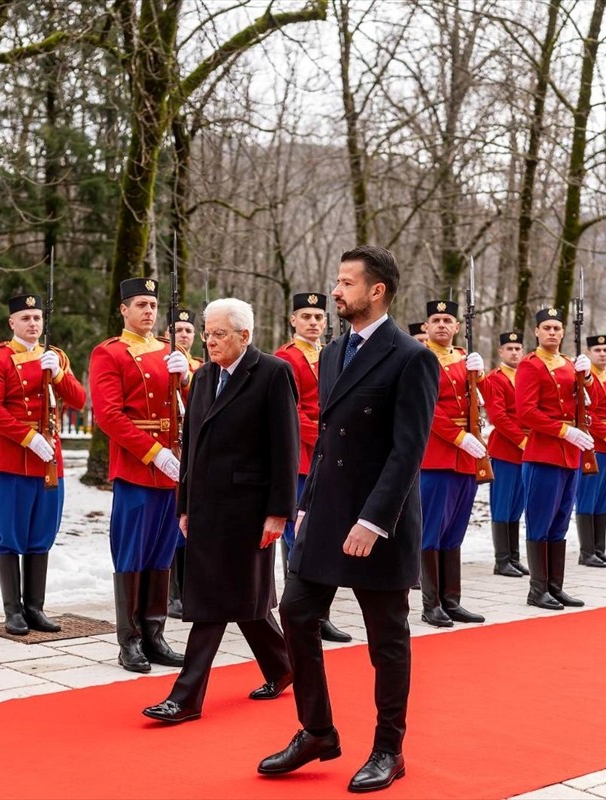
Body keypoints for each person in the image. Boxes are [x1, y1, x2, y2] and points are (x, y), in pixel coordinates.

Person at [258, 246, 438, 793]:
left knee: (387, 639)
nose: (336, 291)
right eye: (337, 282)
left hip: (378, 522)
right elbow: (330, 436)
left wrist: (374, 521)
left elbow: (407, 451)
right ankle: (316, 731)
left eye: (345, 283)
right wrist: (308, 501)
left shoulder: (412, 357)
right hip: (327, 512)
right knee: (295, 611)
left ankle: (389, 749)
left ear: (376, 290)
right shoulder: (333, 353)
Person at [143, 298, 296, 723]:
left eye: (218, 334)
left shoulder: (272, 373)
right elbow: (192, 443)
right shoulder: (205, 376)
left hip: (249, 509)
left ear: (244, 336)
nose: (208, 341)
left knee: (212, 600)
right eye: (207, 333)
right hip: (208, 507)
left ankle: (186, 697)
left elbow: (285, 447)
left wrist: (279, 511)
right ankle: (284, 667)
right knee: (243, 598)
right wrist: (185, 503)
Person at [89, 278, 188, 672]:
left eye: (153, 304)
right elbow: (109, 415)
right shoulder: (109, 353)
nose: (149, 311)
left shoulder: (170, 352)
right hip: (136, 466)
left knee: (162, 553)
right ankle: (129, 639)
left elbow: (189, 410)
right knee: (132, 553)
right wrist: (153, 453)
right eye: (140, 304)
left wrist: (191, 377)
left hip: (172, 468)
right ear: (124, 311)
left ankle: (155, 632)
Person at [0, 293, 86, 635]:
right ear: (12, 323)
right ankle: (13, 611)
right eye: (25, 318)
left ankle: (34, 608)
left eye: (37, 318)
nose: (33, 324)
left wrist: (59, 375)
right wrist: (27, 437)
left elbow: (79, 401)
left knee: (41, 535)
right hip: (14, 459)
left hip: (49, 463)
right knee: (8, 535)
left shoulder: (55, 357)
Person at [274, 292, 352, 643]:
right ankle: (300, 613)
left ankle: (321, 614)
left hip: (330, 458)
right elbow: (289, 414)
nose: (313, 323)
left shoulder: (335, 354)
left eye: (319, 317)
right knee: (300, 539)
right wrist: (327, 437)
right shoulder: (285, 359)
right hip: (303, 460)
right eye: (306, 317)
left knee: (326, 536)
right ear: (293, 320)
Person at [514, 307, 591, 611]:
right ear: (536, 332)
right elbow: (526, 411)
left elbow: (586, 405)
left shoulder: (571, 365)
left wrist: (588, 381)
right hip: (544, 454)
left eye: (557, 328)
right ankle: (537, 590)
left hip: (569, 456)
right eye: (546, 327)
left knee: (560, 522)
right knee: (540, 523)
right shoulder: (530, 365)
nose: (552, 333)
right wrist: (563, 431)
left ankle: (555, 587)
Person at [416, 299, 485, 627]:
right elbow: (425, 407)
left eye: (448, 320)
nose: (442, 324)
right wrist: (459, 438)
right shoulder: (419, 358)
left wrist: (479, 374)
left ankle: (451, 599)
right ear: (426, 327)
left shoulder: (462, 357)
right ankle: (431, 604)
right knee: (432, 530)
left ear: (457, 327)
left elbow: (475, 399)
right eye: (436, 319)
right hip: (438, 455)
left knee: (455, 530)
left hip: (465, 458)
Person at [481, 331, 529, 577]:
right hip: (506, 449)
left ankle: (514, 557)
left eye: (517, 348)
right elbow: (497, 416)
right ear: (501, 352)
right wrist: (522, 440)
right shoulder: (494, 379)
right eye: (509, 348)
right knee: (502, 504)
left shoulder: (525, 375)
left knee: (517, 506)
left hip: (527, 450)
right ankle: (501, 560)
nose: (514, 352)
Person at [576, 334, 606, 568]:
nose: (603, 354)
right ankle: (586, 551)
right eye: (598, 350)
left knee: (603, 498)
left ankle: (599, 548)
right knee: (588, 496)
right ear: (589, 353)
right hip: (594, 445)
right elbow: (587, 413)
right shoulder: (586, 378)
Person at [167, 309, 200, 619]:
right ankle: (173, 593)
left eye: (189, 330)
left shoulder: (202, 367)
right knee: (176, 524)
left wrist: (188, 379)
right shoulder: (161, 361)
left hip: (193, 452)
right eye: (178, 329)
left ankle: (190, 589)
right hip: (169, 450)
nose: (184, 335)